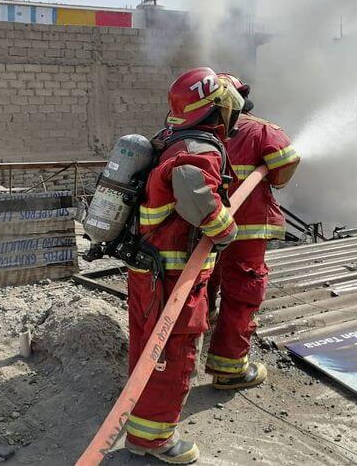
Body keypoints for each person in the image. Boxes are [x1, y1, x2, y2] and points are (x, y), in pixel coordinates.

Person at [124, 67, 244, 463]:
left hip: (151, 271)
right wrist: (226, 229)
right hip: (172, 275)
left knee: (150, 351)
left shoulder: (172, 141)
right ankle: (153, 439)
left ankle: (142, 425)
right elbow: (199, 202)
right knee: (172, 354)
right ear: (214, 108)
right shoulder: (197, 150)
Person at [205, 72, 300, 390]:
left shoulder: (189, 130)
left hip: (202, 227)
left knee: (200, 283)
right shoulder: (262, 129)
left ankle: (196, 334)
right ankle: (229, 369)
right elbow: (285, 167)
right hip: (246, 229)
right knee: (242, 293)